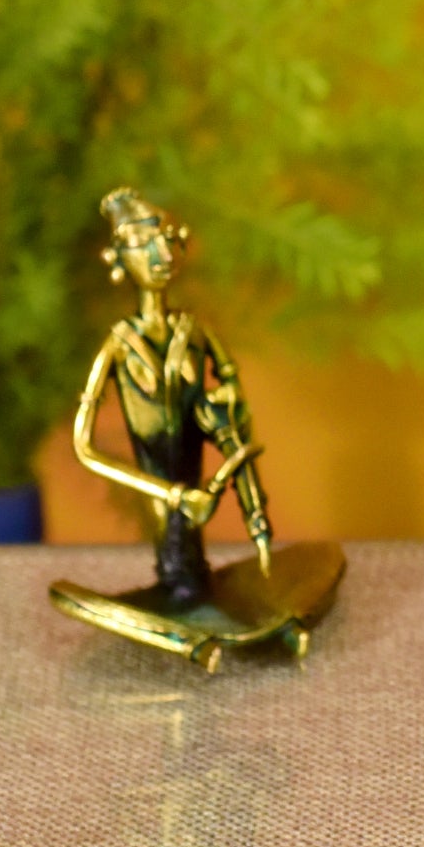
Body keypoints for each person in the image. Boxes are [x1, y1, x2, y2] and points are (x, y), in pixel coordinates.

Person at [71, 187, 273, 609]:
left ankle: (204, 584)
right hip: (158, 482)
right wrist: (172, 496)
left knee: (192, 552)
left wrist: (227, 409)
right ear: (119, 259)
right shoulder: (120, 345)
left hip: (196, 470)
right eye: (144, 244)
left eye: (165, 239)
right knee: (174, 550)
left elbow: (230, 381)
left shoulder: (193, 331)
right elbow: (84, 447)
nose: (160, 254)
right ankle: (178, 584)